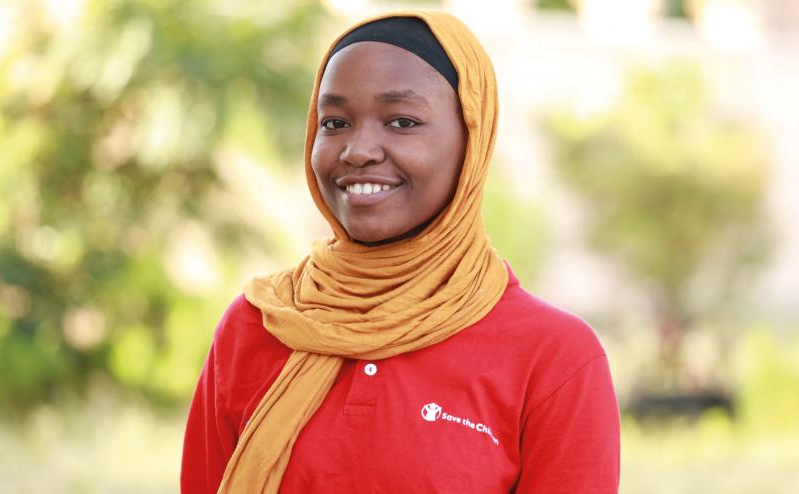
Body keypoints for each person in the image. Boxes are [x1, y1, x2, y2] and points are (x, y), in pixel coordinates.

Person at [181, 10, 620, 494]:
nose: (358, 150)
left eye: (402, 121)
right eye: (335, 122)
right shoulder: (255, 327)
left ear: (471, 140)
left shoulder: (553, 357)